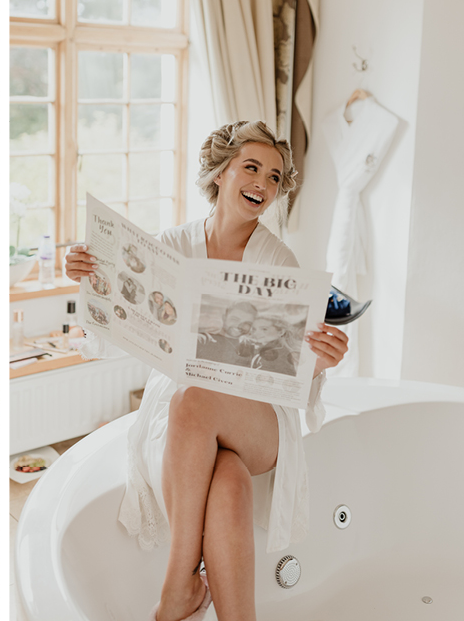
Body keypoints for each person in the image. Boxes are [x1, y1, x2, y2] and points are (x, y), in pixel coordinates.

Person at [65, 121, 348, 621]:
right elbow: (117, 337)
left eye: (276, 177)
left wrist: (321, 361)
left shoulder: (279, 259)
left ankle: (178, 584)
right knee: (229, 482)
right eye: (252, 167)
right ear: (221, 174)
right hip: (183, 417)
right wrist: (90, 280)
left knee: (193, 399)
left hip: (257, 416)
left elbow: (294, 373)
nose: (264, 182)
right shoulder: (170, 245)